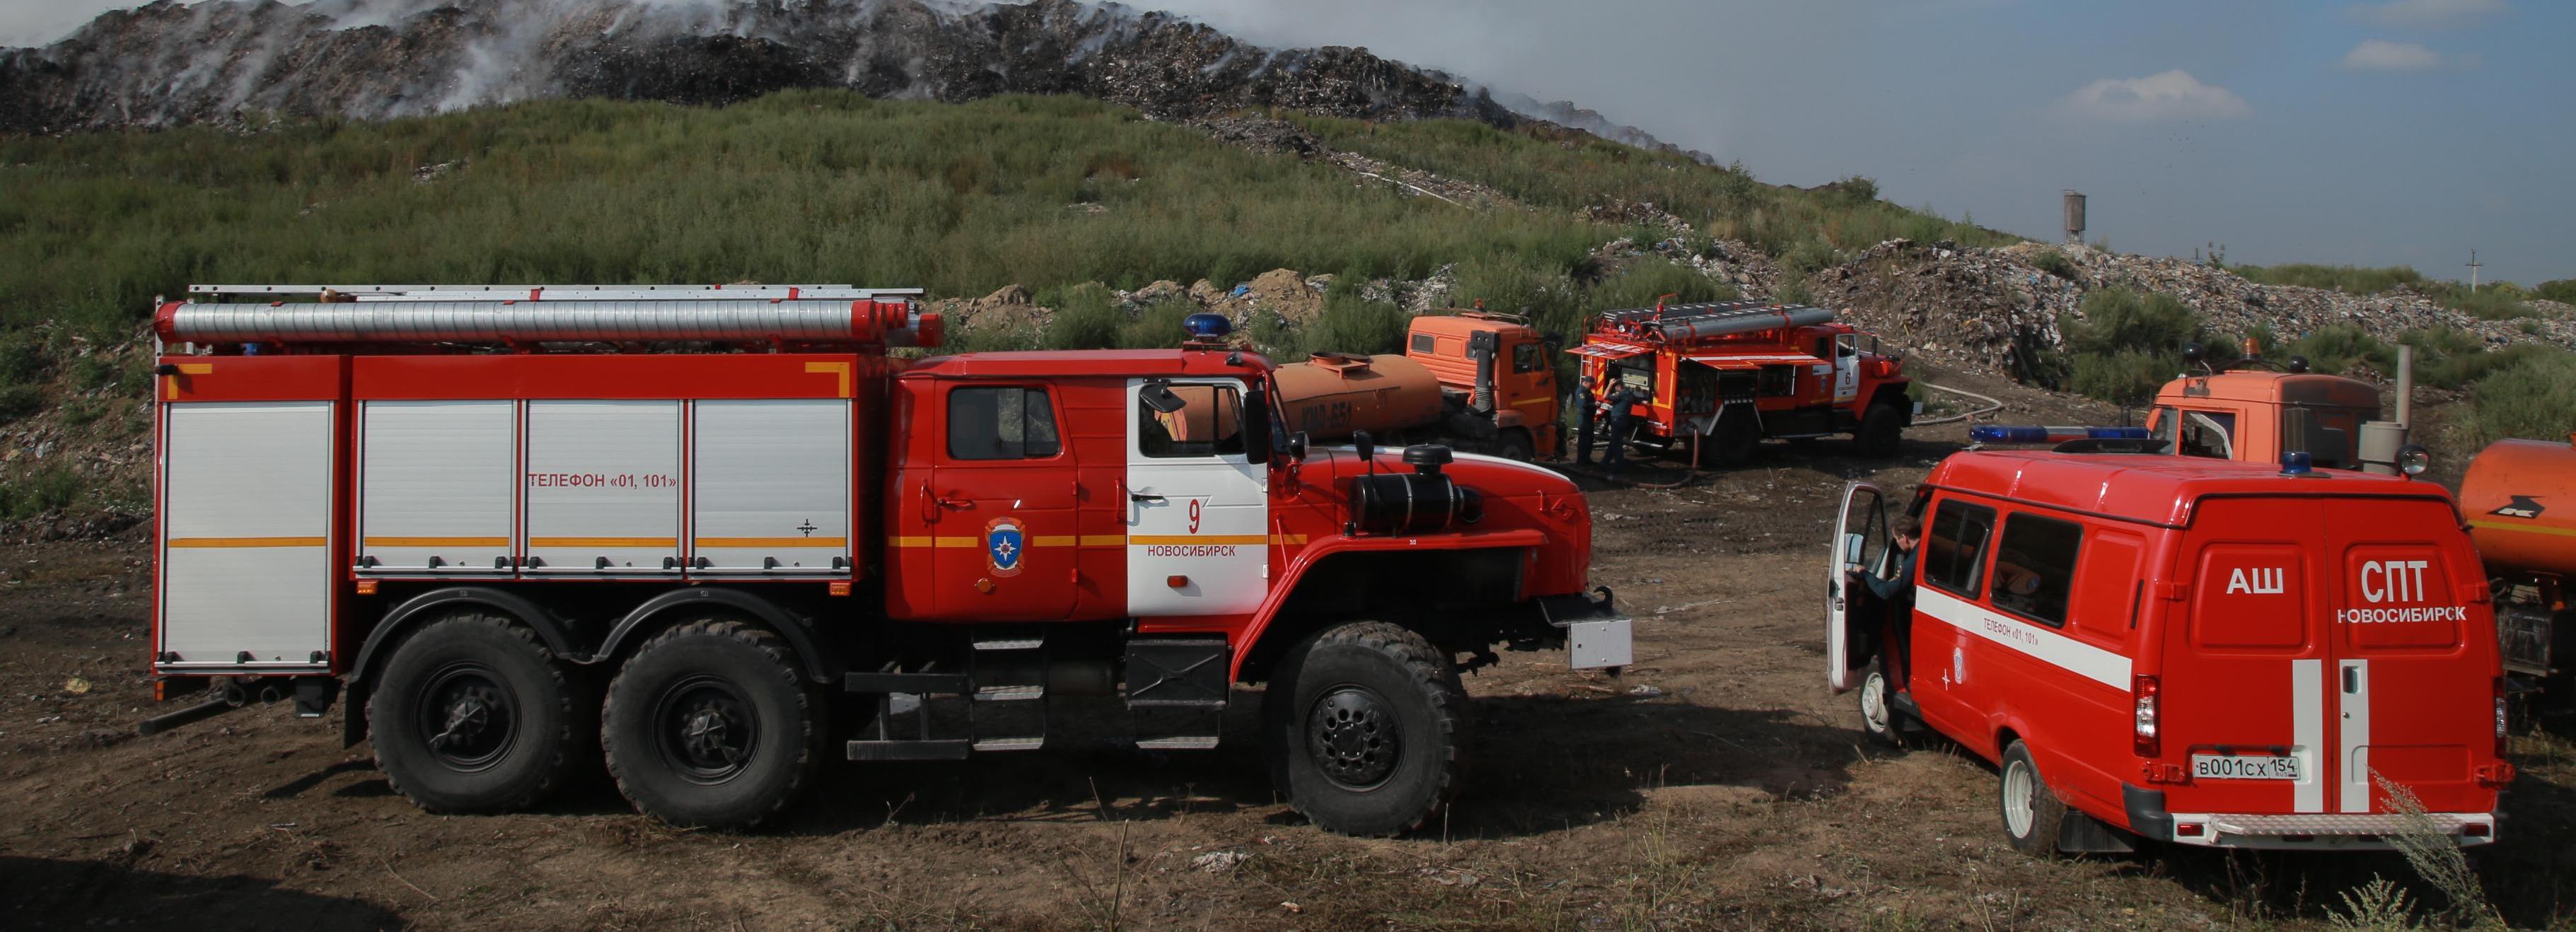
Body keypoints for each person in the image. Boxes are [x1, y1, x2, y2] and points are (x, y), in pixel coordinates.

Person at [1848, 515, 1921, 687]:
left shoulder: (1913, 561)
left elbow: (1886, 592)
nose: (1897, 543)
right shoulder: (1924, 550)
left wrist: (1865, 573)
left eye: (1896, 539)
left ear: (1904, 538)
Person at [1601, 382, 1645, 479]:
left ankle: (1619, 467)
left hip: (1617, 420)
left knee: (1616, 444)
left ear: (1619, 387)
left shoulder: (1620, 394)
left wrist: (1609, 385)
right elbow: (1640, 402)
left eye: (1615, 387)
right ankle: (1604, 463)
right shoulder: (1630, 394)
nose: (1615, 388)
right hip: (1625, 421)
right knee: (1614, 442)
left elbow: (1605, 396)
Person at [1572, 375, 1599, 465]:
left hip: (1589, 418)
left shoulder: (1588, 391)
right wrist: (1595, 405)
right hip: (1584, 418)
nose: (1592, 387)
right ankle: (1581, 460)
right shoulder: (1581, 392)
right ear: (1585, 382)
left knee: (1589, 439)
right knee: (1584, 440)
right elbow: (1583, 405)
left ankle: (1587, 458)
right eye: (1591, 385)